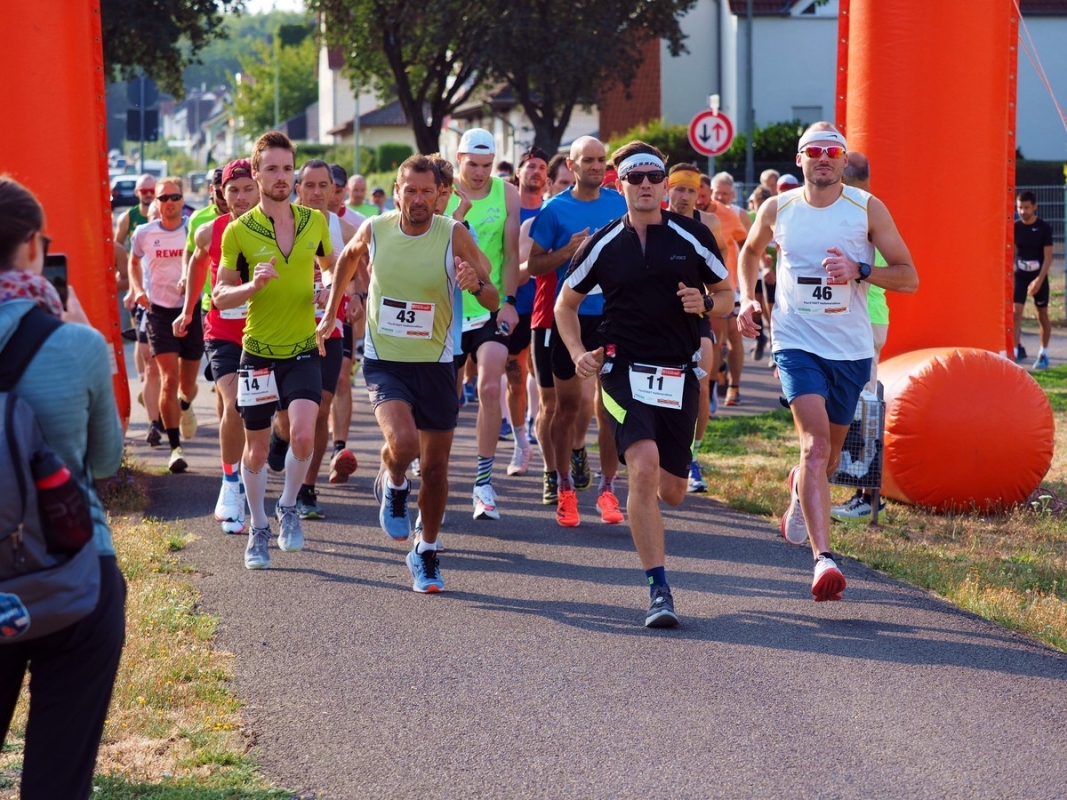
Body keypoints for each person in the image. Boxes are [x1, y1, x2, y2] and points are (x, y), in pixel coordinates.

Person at [737, 122, 918, 602]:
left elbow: (908, 277)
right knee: (816, 446)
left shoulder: (867, 210)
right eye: (813, 150)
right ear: (800, 160)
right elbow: (750, 252)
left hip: (851, 349)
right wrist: (746, 300)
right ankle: (824, 561)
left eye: (832, 151)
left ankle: (799, 486)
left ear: (843, 160)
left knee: (829, 457)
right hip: (796, 340)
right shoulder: (779, 208)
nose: (823, 157)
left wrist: (860, 270)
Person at [556, 141, 731, 627]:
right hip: (622, 368)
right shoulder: (604, 242)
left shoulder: (692, 236)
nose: (648, 185)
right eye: (637, 178)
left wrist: (705, 304)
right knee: (645, 465)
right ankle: (659, 590)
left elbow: (726, 295)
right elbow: (564, 306)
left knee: (672, 490)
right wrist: (577, 354)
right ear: (620, 183)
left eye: (655, 176)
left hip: (677, 371)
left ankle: (661, 489)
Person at [0, 175, 126, 799]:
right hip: (73, 573)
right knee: (57, 780)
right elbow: (104, 461)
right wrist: (86, 339)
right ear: (31, 248)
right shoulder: (74, 343)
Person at [319, 154, 498, 591]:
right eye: (409, 190)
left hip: (437, 362)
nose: (417, 199)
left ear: (440, 195)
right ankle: (394, 478)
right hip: (386, 360)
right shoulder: (376, 228)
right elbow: (346, 259)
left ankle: (426, 552)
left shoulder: (452, 233)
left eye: (426, 191)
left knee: (436, 468)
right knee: (403, 443)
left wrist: (475, 282)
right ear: (396, 192)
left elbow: (491, 295)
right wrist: (330, 314)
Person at [213, 131, 335, 570]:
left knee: (304, 433)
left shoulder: (315, 221)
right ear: (256, 171)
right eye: (271, 169)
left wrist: (328, 298)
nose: (281, 177)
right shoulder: (239, 231)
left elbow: (332, 270)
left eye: (287, 169)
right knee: (258, 449)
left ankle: (287, 506)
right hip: (258, 352)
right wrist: (252, 285)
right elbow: (219, 296)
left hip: (302, 347)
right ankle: (259, 525)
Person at [528, 136, 628, 527]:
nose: (596, 166)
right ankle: (565, 486)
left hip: (612, 317)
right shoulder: (554, 211)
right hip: (568, 317)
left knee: (610, 408)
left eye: (602, 160)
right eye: (588, 160)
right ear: (571, 165)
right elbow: (534, 266)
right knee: (569, 407)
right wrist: (567, 252)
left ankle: (607, 489)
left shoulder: (620, 203)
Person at [175, 158, 259, 534]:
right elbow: (195, 263)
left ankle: (251, 472)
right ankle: (230, 483)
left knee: (262, 417)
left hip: (266, 333)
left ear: (258, 188)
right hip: (222, 330)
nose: (241, 198)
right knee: (234, 403)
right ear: (222, 195)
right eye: (233, 191)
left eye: (247, 189)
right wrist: (187, 310)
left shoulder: (281, 227)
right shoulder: (211, 232)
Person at [449, 127, 521, 520]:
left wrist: (508, 302)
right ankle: (429, 466)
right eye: (472, 164)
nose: (479, 173)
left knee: (491, 385)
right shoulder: (442, 190)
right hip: (447, 311)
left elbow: (511, 253)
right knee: (444, 398)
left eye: (487, 165)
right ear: (458, 159)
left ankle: (483, 482)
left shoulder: (506, 193)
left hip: (488, 303)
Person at [831, 150, 892, 522]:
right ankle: (856, 493)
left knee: (866, 408)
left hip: (864, 320)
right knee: (855, 407)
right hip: (860, 319)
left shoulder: (864, 211)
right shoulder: (865, 208)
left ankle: (867, 499)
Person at [127, 176, 200, 473]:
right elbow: (133, 263)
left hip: (191, 311)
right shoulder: (144, 233)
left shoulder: (194, 230)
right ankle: (175, 448)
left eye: (174, 197)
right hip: (158, 312)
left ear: (182, 200)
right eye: (163, 198)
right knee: (167, 378)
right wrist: (137, 290)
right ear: (155, 203)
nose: (169, 203)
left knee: (187, 385)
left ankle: (185, 405)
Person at [666, 163, 727, 494]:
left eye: (691, 190)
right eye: (679, 189)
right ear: (667, 190)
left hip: (696, 312)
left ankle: (693, 457)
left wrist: (711, 299)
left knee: (701, 384)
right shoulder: (654, 218)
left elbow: (722, 269)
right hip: (658, 317)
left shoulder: (710, 223)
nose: (685, 196)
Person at [505, 146, 550, 477]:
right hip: (514, 307)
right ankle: (521, 443)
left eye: (541, 167)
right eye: (530, 166)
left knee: (548, 384)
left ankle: (549, 447)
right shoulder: (507, 212)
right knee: (515, 378)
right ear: (518, 174)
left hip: (547, 308)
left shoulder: (553, 213)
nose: (535, 171)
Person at [710, 171, 752, 407]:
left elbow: (749, 248)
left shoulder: (738, 214)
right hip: (710, 288)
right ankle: (714, 382)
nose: (723, 198)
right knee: (716, 339)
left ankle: (734, 387)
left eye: (727, 194)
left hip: (733, 286)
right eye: (719, 194)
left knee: (735, 336)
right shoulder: (704, 215)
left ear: (734, 194)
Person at [1013, 190, 1054, 368]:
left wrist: (1038, 280)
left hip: (1039, 275)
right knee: (1015, 314)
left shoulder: (1044, 228)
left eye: (1027, 207)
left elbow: (1048, 257)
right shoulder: (1014, 227)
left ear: (1034, 207)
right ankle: (1014, 354)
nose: (1023, 211)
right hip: (1020, 275)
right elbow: (1011, 252)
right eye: (1020, 207)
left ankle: (1043, 353)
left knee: (1042, 315)